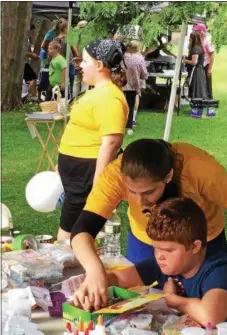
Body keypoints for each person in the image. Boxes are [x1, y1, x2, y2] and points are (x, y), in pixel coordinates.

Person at [70, 138, 227, 310]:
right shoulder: (115, 174)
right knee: (146, 297)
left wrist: (175, 301)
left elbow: (211, 313)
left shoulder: (201, 169)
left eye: (149, 192)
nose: (140, 202)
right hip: (146, 239)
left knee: (208, 297)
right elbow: (83, 228)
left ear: (168, 176)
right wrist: (95, 272)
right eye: (131, 191)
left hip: (201, 242)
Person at [74, 198, 227, 326]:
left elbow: (211, 317)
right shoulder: (162, 264)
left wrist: (173, 300)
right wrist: (92, 285)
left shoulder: (218, 270)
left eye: (168, 250)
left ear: (195, 247)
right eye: (156, 248)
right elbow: (119, 278)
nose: (160, 256)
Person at [57, 38, 129, 241]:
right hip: (78, 171)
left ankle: (71, 259)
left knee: (75, 227)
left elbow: (111, 143)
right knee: (74, 221)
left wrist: (99, 181)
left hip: (87, 171)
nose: (80, 65)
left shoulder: (109, 98)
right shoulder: (99, 92)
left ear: (99, 65)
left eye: (85, 61)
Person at [122, 40, 148, 135]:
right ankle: (129, 127)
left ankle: (118, 124)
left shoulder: (121, 56)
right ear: (137, 48)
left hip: (120, 83)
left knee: (118, 104)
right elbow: (144, 74)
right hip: (132, 85)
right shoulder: (139, 58)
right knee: (130, 106)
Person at [182, 32, 208, 100]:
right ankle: (198, 106)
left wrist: (186, 61)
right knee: (199, 88)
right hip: (199, 70)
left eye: (190, 38)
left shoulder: (195, 49)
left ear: (193, 39)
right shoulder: (199, 47)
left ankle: (197, 105)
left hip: (196, 70)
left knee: (196, 88)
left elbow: (194, 62)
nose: (189, 40)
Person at [193, 23, 215, 99]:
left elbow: (212, 54)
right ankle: (201, 99)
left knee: (207, 84)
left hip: (206, 65)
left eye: (196, 31)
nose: (195, 32)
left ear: (201, 31)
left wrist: (210, 68)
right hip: (200, 64)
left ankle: (208, 101)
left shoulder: (208, 40)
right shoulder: (199, 39)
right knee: (201, 84)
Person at [24, 24, 40, 100]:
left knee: (32, 78)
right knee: (33, 78)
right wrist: (32, 54)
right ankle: (32, 97)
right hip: (22, 63)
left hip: (25, 62)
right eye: (33, 31)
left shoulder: (27, 39)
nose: (34, 33)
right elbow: (22, 52)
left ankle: (31, 96)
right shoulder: (24, 39)